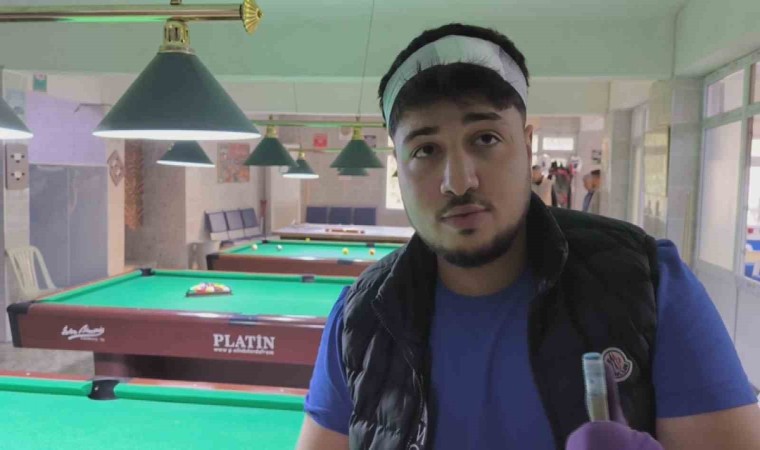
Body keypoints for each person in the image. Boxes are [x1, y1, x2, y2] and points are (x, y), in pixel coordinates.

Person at [297, 23, 760, 450]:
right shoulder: (362, 318)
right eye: (425, 149)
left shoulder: (648, 285)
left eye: (485, 139)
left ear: (527, 142)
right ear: (398, 166)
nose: (458, 181)